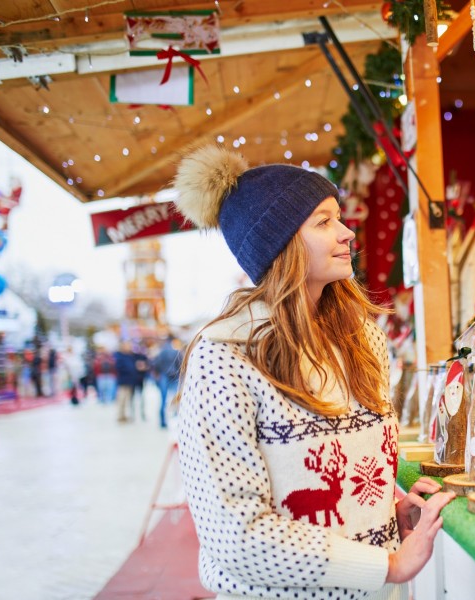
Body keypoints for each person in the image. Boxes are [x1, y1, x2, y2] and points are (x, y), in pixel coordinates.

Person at [173, 145, 454, 599]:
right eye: (323, 222)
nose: (347, 233)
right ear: (279, 242)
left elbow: (355, 464)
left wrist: (391, 510)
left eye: (338, 217)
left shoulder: (364, 339)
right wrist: (385, 564)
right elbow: (236, 533)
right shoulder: (225, 359)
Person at [151, 334, 182, 429]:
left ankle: (163, 421)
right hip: (174, 377)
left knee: (163, 399)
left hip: (163, 376)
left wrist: (157, 376)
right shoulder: (176, 352)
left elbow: (155, 364)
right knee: (176, 398)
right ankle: (177, 418)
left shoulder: (161, 352)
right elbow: (180, 365)